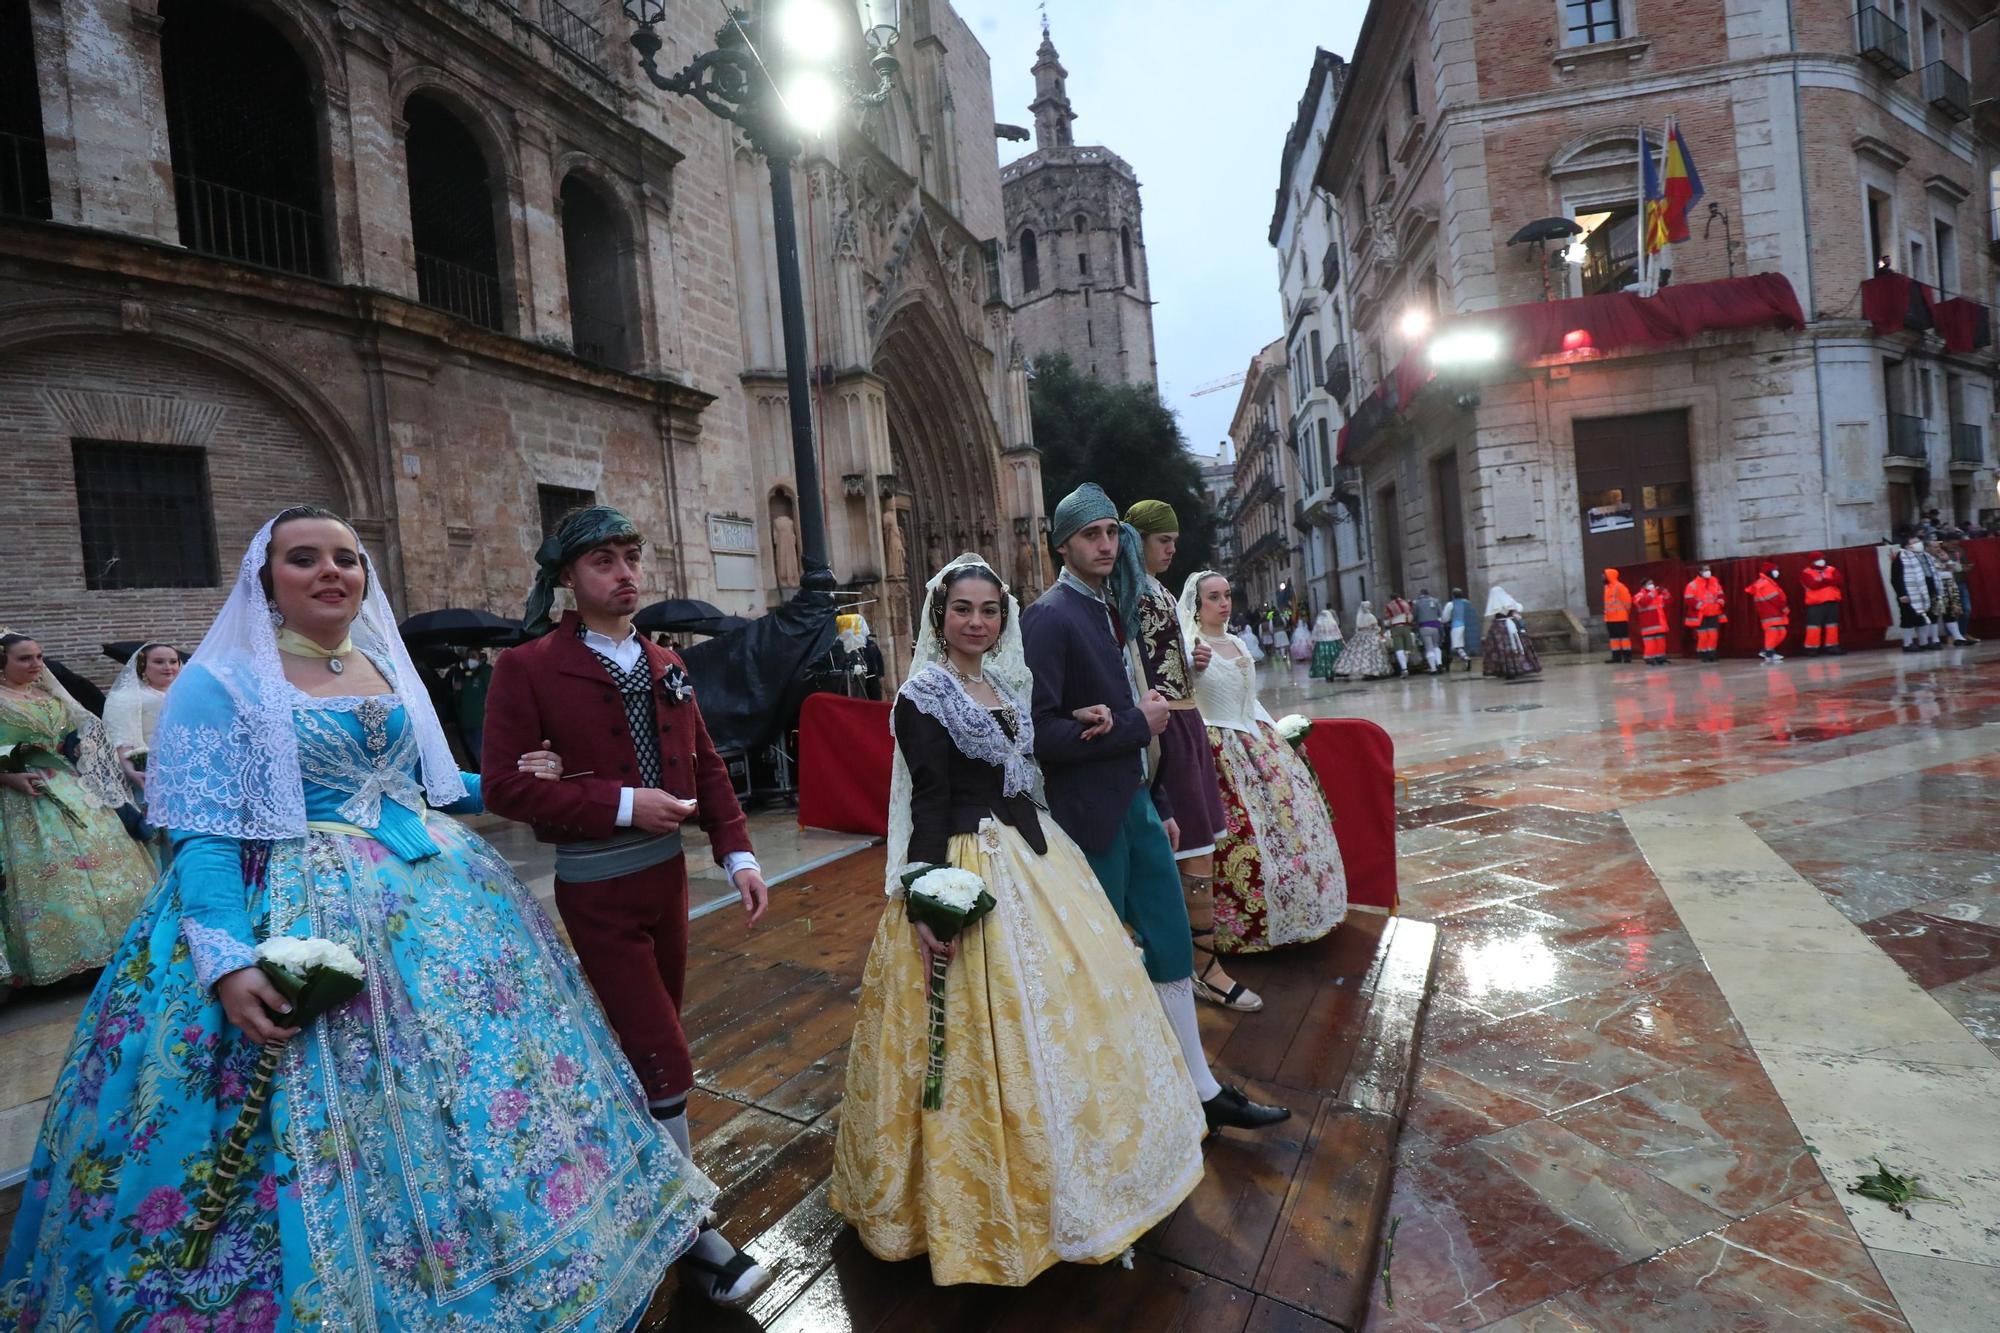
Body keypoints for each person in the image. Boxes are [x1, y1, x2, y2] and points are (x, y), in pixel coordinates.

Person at [0, 508, 712, 1328]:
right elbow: (202, 834)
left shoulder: (378, 662)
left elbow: (412, 786)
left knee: (470, 1093)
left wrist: (509, 780)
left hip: (438, 896)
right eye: (304, 558)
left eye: (347, 558)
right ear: (267, 578)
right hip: (293, 904)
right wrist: (228, 960)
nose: (331, 571)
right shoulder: (219, 680)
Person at [830, 556, 1205, 1286]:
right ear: (939, 617)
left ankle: (1087, 1178)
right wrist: (931, 898)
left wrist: (1091, 722)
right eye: (962, 609)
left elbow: (1027, 765)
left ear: (1002, 618)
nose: (977, 621)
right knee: (982, 1030)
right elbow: (930, 800)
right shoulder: (924, 694)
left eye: (989, 610)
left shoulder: (1001, 684)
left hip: (1035, 853)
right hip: (969, 863)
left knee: (1074, 1013)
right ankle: (983, 1206)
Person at [479, 504, 774, 1308]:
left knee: (654, 1053)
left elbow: (705, 763)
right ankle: (695, 1236)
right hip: (596, 883)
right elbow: (503, 783)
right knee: (664, 1055)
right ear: (568, 581)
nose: (625, 573)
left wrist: (737, 850)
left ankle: (639, 1187)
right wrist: (618, 804)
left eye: (630, 557)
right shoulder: (528, 666)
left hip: (666, 880)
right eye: (604, 561)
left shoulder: (666, 660)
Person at [1021, 484, 1289, 1133]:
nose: (1107, 544)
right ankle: (1102, 1102)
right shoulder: (1049, 617)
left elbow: (1145, 706)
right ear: (1063, 544)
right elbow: (1038, 731)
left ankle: (1198, 1089)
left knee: (1172, 942)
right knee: (1101, 958)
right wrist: (1128, 729)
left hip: (1138, 804)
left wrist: (1161, 794)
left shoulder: (1114, 610)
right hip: (1089, 817)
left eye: (1113, 531)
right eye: (1092, 534)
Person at [1122, 501, 1257, 1013]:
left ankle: (1197, 962)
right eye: (1163, 540)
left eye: (1174, 539)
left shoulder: (1154, 591)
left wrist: (1193, 661)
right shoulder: (1129, 591)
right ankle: (1200, 967)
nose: (1172, 548)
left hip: (1187, 722)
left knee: (1201, 844)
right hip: (1165, 729)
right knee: (1189, 848)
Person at [1181, 573, 1349, 954]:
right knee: (1239, 833)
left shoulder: (1238, 641)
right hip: (1217, 745)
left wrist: (1277, 736)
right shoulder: (1191, 645)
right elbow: (1184, 696)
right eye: (1213, 597)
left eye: (1226, 595)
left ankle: (1301, 912)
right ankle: (1240, 929)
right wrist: (1192, 666)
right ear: (1196, 604)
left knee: (1289, 821)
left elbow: (1249, 699)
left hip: (1255, 737)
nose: (1223, 603)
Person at [0, 631, 156, 988]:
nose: (36, 665)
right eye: (24, 658)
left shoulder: (49, 696)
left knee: (104, 866)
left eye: (39, 657)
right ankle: (65, 964)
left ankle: (110, 951)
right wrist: (8, 778)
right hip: (22, 797)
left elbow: (74, 740)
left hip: (70, 786)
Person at [1891, 532, 1942, 653]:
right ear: (1907, 546)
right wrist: (1901, 594)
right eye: (1914, 542)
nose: (1918, 544)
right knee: (1908, 618)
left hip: (1928, 589)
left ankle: (1924, 642)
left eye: (1918, 541)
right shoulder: (1901, 557)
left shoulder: (1926, 556)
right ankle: (1907, 644)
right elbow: (1896, 578)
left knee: (1925, 617)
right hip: (1910, 592)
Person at [1481, 588, 1542, 680]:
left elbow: (1491, 613)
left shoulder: (1495, 603)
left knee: (1501, 648)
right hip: (1511, 626)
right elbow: (1519, 607)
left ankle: (1505, 669)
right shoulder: (1508, 600)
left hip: (1498, 627)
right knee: (1516, 645)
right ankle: (1519, 666)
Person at [446, 647, 492, 767]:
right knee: (473, 757)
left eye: (473, 656)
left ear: (481, 657)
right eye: (467, 657)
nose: (469, 660)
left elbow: (493, 694)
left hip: (481, 723)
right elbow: (457, 698)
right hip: (466, 723)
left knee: (484, 757)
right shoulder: (462, 675)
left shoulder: (486, 672)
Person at [1926, 538, 1978, 646]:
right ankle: (1935, 639)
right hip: (1935, 588)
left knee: (1951, 612)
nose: (1938, 549)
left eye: (1938, 547)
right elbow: (1932, 572)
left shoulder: (1942, 556)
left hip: (1949, 586)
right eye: (1935, 547)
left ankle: (1958, 637)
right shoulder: (1926, 558)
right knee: (1934, 614)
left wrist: (1947, 560)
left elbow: (1958, 569)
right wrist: (1945, 567)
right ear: (1928, 548)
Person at [1797, 554, 1846, 656]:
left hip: (1832, 601)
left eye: (1822, 558)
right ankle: (1811, 649)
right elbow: (1813, 585)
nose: (1821, 561)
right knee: (1813, 626)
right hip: (1815, 603)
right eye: (1818, 559)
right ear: (1812, 561)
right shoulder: (1806, 572)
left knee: (1832, 625)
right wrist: (1829, 581)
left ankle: (1832, 647)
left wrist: (1823, 581)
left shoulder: (1832, 569)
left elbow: (1839, 581)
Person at [1683, 564, 1727, 662]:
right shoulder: (1692, 585)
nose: (1708, 572)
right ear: (1700, 572)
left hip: (1714, 611)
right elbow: (1689, 599)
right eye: (1706, 570)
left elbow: (1721, 595)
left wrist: (1719, 604)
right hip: (1701, 613)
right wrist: (1701, 606)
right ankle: (1703, 654)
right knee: (1703, 635)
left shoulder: (1715, 582)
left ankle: (1712, 652)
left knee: (1713, 634)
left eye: (1709, 569)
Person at [1747, 566, 1789, 664]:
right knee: (1773, 632)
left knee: (1781, 632)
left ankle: (1767, 651)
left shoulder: (1767, 582)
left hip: (1773, 611)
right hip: (1770, 612)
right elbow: (1774, 598)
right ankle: (1769, 653)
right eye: (1775, 570)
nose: (1777, 572)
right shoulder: (1765, 583)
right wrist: (1784, 608)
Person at [1339, 601, 1392, 679]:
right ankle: (1375, 672)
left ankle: (1366, 672)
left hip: (1360, 637)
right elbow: (1375, 627)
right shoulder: (1371, 616)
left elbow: (1358, 629)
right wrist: (1379, 630)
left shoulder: (1360, 617)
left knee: (1362, 656)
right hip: (1371, 637)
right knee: (1374, 655)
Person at [1633, 578, 1674, 666]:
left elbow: (1669, 602)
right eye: (1649, 583)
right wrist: (1653, 593)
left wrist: (1666, 593)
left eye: (1652, 583)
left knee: (1661, 643)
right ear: (1643, 586)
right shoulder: (1639, 595)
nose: (1652, 585)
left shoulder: (1657, 595)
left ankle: (1660, 658)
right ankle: (1649, 658)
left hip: (1659, 624)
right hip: (1648, 625)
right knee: (1650, 644)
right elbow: (1643, 603)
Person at [1601, 569, 1634, 664]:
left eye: (1604, 575)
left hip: (1620, 617)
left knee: (1624, 638)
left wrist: (1625, 612)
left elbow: (1627, 601)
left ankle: (1627, 657)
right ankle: (1616, 657)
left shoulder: (1619, 586)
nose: (1602, 577)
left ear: (1609, 576)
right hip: (1609, 618)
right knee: (1613, 639)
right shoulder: (1607, 588)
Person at [1411, 589, 1445, 673]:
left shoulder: (1417, 603)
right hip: (1436, 626)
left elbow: (1414, 616)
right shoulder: (1436, 601)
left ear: (1420, 594)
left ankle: (1433, 668)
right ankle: (1439, 663)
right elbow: (1440, 614)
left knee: (1429, 647)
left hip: (1424, 627)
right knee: (1436, 645)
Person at [1383, 594, 1417, 677]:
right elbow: (1410, 617)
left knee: (1399, 649)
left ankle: (1404, 669)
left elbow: (1387, 620)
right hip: (1406, 627)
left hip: (1396, 628)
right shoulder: (1406, 604)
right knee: (1407, 649)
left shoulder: (1389, 606)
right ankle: (1406, 667)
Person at [1446, 588, 1480, 670]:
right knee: (1466, 644)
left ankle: (1466, 658)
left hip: (1456, 626)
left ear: (1453, 595)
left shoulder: (1450, 604)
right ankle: (1465, 660)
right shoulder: (1467, 603)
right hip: (1468, 626)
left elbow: (1445, 617)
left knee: (1457, 646)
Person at [1309, 606, 1345, 679]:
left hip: (1321, 644)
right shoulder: (1333, 623)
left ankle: (1327, 674)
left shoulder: (1318, 623)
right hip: (1333, 644)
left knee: (1324, 660)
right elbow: (1338, 633)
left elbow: (1314, 634)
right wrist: (1342, 641)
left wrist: (1312, 642)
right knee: (1333, 659)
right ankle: (1333, 672)